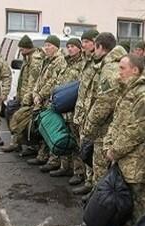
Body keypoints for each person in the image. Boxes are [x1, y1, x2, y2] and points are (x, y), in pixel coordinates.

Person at [101, 55, 145, 226]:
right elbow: (117, 122)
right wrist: (109, 144)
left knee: (138, 200)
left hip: (137, 156)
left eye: (123, 68)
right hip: (122, 154)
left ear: (135, 70)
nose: (120, 72)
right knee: (124, 198)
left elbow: (138, 130)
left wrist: (115, 150)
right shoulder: (128, 90)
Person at [81, 33, 127, 188]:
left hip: (105, 126)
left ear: (100, 47)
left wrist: (90, 125)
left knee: (100, 167)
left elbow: (104, 102)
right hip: (111, 123)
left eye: (95, 46)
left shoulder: (109, 67)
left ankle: (98, 200)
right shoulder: (114, 64)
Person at [26, 35, 67, 166]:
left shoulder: (59, 61)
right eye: (46, 45)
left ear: (56, 47)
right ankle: (42, 156)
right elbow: (40, 78)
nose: (46, 48)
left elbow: (53, 81)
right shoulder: (47, 60)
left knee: (51, 129)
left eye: (49, 45)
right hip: (41, 99)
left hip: (49, 100)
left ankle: (53, 160)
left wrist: (41, 94)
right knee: (43, 128)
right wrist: (35, 92)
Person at [1, 35, 44, 154]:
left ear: (27, 48)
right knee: (12, 114)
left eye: (22, 49)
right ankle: (16, 143)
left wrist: (27, 97)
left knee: (23, 120)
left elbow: (33, 81)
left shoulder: (35, 60)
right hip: (22, 94)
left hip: (29, 96)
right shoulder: (27, 58)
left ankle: (29, 146)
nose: (20, 51)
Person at [48, 38, 84, 177]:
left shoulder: (82, 64)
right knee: (63, 136)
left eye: (73, 46)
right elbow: (57, 81)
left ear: (79, 48)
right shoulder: (65, 63)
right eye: (68, 46)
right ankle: (64, 166)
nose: (70, 49)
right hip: (62, 106)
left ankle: (78, 172)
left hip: (74, 107)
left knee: (75, 141)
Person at [71, 30, 100, 193]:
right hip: (82, 111)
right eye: (83, 41)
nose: (84, 44)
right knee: (84, 146)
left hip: (94, 114)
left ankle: (94, 185)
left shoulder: (100, 63)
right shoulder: (86, 61)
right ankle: (88, 181)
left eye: (87, 41)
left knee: (93, 151)